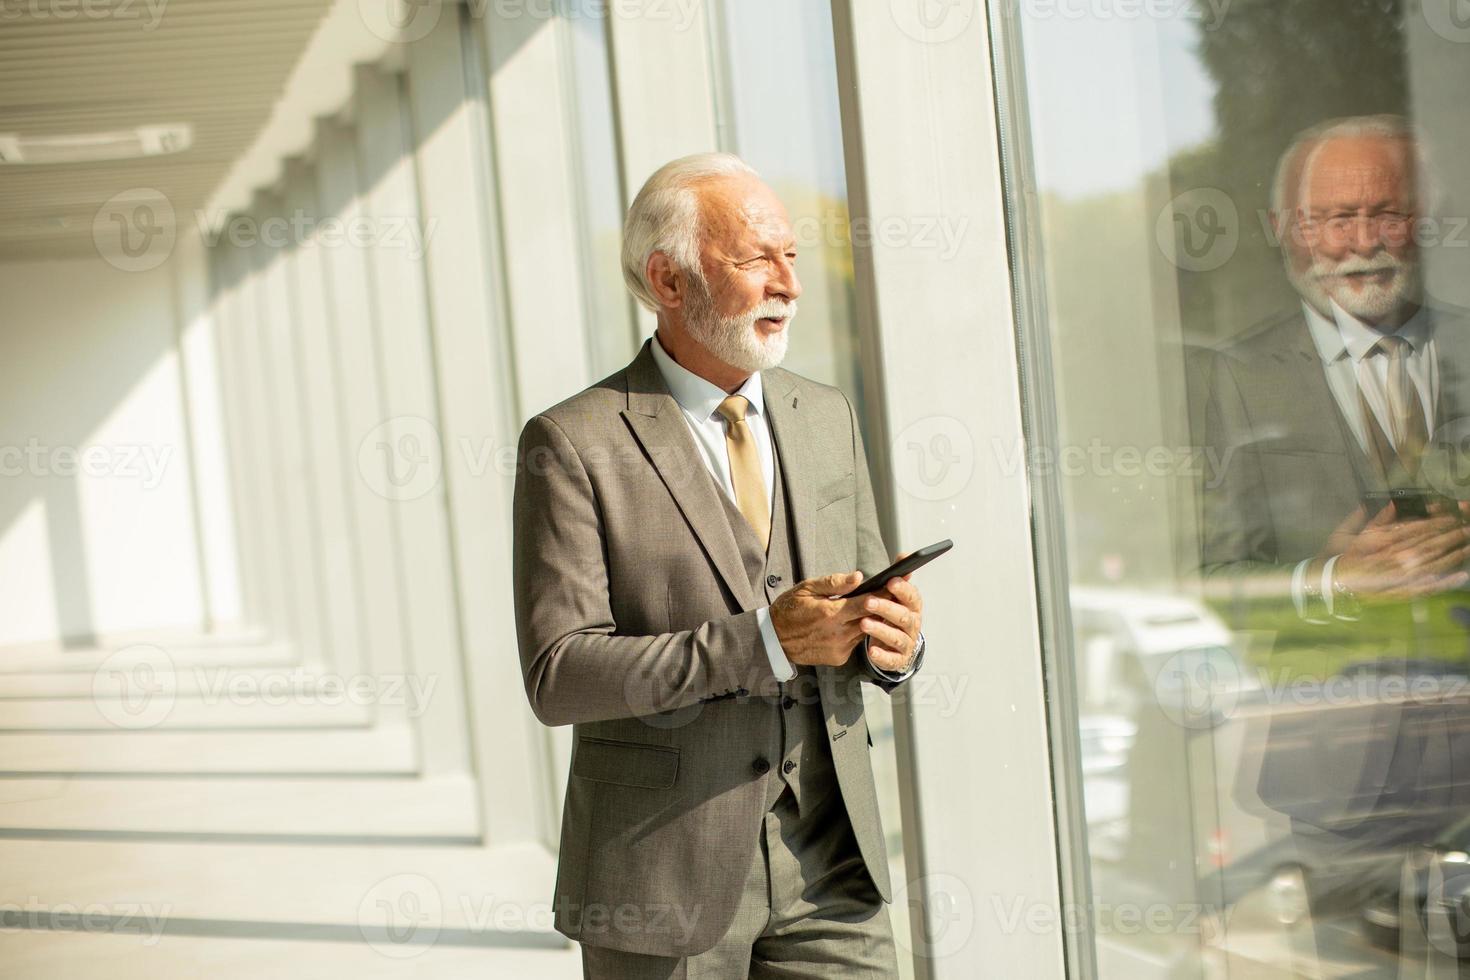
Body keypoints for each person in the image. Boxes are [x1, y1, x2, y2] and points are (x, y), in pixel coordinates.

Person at [511, 152, 926, 978]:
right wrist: (764, 643)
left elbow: (874, 602)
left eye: (792, 258)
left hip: (833, 866)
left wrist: (897, 644)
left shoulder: (825, 414)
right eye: (755, 259)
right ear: (668, 279)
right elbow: (559, 676)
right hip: (659, 881)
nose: (789, 285)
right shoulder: (571, 443)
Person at [1200, 114, 1470, 969]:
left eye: (1385, 212)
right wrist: (1330, 581)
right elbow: (1208, 575)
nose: (1361, 241)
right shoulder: (1230, 376)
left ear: (1422, 221)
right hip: (1339, 780)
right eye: (1334, 219)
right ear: (1288, 231)